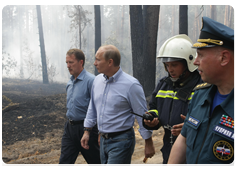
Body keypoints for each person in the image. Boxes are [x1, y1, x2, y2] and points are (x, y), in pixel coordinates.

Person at [167, 17, 236, 166]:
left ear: (224, 58)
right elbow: (184, 138)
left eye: (201, 55)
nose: (195, 61)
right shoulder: (200, 95)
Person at [80, 45, 155, 166]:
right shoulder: (97, 81)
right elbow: (92, 108)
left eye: (98, 60)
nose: (94, 63)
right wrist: (87, 131)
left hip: (122, 141)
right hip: (103, 141)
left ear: (110, 62)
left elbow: (142, 115)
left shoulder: (131, 85)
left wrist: (149, 142)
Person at [143, 34, 202, 166]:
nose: (170, 70)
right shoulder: (163, 84)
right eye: (167, 65)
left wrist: (191, 127)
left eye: (174, 65)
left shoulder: (202, 86)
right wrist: (152, 118)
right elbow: (154, 107)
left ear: (189, 63)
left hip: (192, 150)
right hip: (168, 147)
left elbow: (209, 119)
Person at [58, 49, 101, 166]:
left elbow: (99, 107)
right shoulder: (70, 82)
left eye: (71, 62)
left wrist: (99, 131)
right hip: (70, 128)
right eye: (66, 62)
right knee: (64, 163)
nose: (68, 66)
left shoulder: (91, 81)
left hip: (87, 128)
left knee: (96, 163)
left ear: (81, 62)